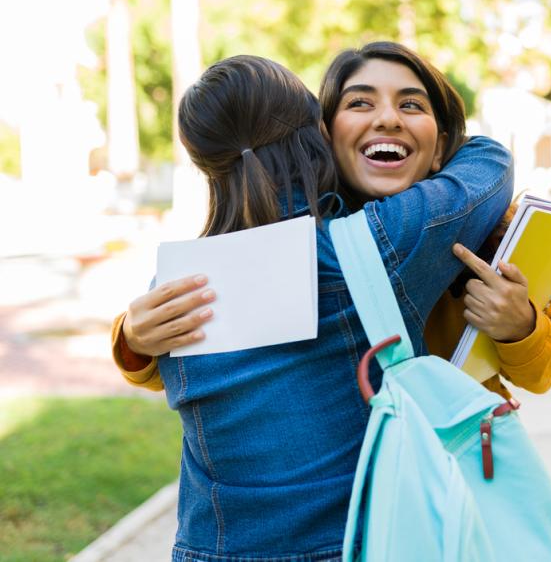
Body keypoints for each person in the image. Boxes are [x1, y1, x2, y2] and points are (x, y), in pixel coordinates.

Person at [120, 52, 514, 561]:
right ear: (317, 134)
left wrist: (129, 337)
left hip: (212, 549)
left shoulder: (173, 284)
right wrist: (436, 140)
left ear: (203, 161)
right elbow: (491, 162)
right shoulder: (377, 242)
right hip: (353, 544)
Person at [115, 42, 551, 403]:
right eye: (360, 103)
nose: (388, 118)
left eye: (412, 105)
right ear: (325, 136)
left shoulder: (493, 236)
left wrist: (520, 326)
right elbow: (202, 351)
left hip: (455, 478)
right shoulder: (301, 239)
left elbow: (547, 372)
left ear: (439, 148)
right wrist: (134, 338)